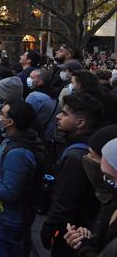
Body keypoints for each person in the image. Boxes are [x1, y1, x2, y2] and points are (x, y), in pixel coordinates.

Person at [0, 101, 44, 257]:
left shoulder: (18, 153)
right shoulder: (12, 138)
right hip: (5, 214)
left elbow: (10, 192)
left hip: (9, 218)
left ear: (11, 121)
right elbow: (2, 167)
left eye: (2, 114)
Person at [41, 93, 103, 256]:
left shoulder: (76, 157)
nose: (58, 116)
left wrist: (49, 230)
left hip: (71, 233)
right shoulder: (88, 146)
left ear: (80, 122)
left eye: (65, 114)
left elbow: (64, 201)